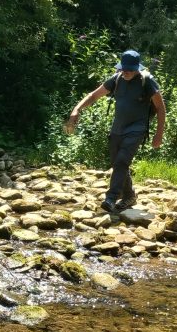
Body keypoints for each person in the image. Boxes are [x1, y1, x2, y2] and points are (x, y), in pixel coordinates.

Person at [63, 49, 166, 213]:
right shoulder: (117, 79)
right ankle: (129, 196)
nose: (126, 72)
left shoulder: (147, 81)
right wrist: (76, 109)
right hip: (118, 128)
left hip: (137, 129)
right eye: (123, 68)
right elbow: (93, 96)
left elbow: (160, 108)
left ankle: (111, 198)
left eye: (130, 69)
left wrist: (158, 134)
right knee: (117, 163)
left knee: (122, 161)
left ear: (137, 68)